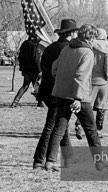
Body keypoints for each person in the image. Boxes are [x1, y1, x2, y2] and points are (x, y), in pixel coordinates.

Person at [44, 24, 102, 172]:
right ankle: (99, 163)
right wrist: (77, 98)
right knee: (91, 130)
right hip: (79, 97)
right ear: (91, 38)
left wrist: (62, 83)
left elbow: (54, 68)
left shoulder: (66, 48)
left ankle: (50, 161)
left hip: (61, 94)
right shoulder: (87, 53)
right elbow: (81, 76)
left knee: (59, 129)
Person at [32, 19, 78, 170]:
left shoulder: (50, 47)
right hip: (57, 92)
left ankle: (69, 159)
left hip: (47, 90)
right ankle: (39, 160)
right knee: (51, 126)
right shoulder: (68, 49)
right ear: (71, 33)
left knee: (61, 125)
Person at [10, 34, 41, 108]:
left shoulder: (23, 46)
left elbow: (20, 58)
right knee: (36, 87)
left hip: (26, 70)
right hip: (33, 71)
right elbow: (36, 60)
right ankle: (41, 102)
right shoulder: (33, 47)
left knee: (25, 86)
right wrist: (39, 70)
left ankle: (15, 102)